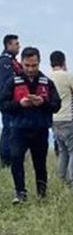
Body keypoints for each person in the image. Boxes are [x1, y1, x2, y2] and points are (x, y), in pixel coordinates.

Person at [0, 47, 61, 204]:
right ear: (22, 63)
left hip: (40, 129)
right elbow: (3, 104)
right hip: (18, 129)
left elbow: (56, 105)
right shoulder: (12, 82)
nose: (30, 69)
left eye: (34, 65)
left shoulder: (47, 83)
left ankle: (42, 195)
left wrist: (43, 103)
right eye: (27, 65)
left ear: (39, 63)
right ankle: (20, 193)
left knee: (40, 164)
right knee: (16, 159)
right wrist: (19, 103)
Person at [50, 51, 73, 187]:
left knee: (62, 151)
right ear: (64, 62)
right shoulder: (69, 76)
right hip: (69, 118)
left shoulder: (47, 77)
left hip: (54, 119)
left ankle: (61, 180)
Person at [0, 34, 22, 168]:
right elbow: (6, 84)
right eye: (16, 44)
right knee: (9, 129)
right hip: (8, 103)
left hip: (13, 103)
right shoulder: (5, 62)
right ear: (8, 45)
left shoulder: (12, 62)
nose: (19, 46)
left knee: (12, 129)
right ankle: (6, 159)